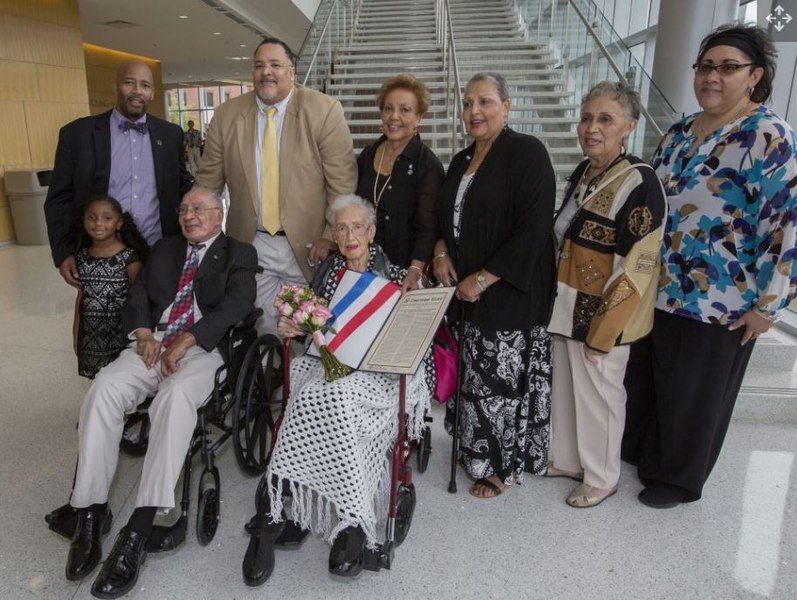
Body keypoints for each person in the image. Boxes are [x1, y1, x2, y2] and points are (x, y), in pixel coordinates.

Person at [622, 23, 797, 509]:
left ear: (755, 75)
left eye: (727, 67)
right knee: (652, 378)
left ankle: (677, 479)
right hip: (658, 286)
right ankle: (642, 454)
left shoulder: (769, 135)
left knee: (695, 395)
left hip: (722, 296)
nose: (711, 77)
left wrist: (770, 305)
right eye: (704, 66)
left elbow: (789, 225)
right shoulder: (680, 131)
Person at [62, 186, 257, 598]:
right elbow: (138, 295)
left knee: (174, 398)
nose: (189, 216)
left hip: (202, 349)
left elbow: (239, 305)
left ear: (219, 214)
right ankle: (92, 513)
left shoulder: (239, 252)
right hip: (152, 344)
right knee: (103, 389)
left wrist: (188, 339)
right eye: (183, 208)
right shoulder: (165, 249)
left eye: (198, 209)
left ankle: (140, 526)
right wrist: (146, 333)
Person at [242, 195, 432, 585]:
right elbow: (309, 323)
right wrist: (290, 325)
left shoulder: (399, 278)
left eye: (357, 227)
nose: (349, 236)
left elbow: (416, 341)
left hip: (378, 376)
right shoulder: (329, 274)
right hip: (326, 367)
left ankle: (352, 524)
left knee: (336, 400)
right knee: (307, 397)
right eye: (341, 228)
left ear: (372, 232)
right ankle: (272, 511)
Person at [432, 73, 556, 499]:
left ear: (507, 104)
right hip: (465, 290)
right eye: (467, 103)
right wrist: (440, 251)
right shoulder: (461, 159)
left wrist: (483, 279)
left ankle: (499, 466)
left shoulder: (527, 153)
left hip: (509, 291)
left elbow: (534, 228)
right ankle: (474, 450)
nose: (474, 111)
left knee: (500, 382)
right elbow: (445, 216)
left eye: (485, 101)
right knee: (475, 377)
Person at [546, 82, 666, 508]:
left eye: (605, 119)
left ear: (629, 127)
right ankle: (568, 460)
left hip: (601, 316)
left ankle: (601, 476)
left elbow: (639, 265)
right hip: (566, 304)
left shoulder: (640, 182)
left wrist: (606, 330)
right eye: (586, 117)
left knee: (601, 395)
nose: (591, 127)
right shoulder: (584, 172)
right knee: (567, 388)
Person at [195, 36, 357, 335]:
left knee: (312, 332)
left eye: (275, 65)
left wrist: (331, 233)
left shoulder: (323, 110)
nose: (266, 72)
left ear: (291, 72)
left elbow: (342, 182)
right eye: (259, 65)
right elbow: (208, 182)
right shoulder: (227, 115)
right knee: (262, 328)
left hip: (310, 244)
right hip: (250, 243)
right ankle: (271, 379)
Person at [44, 60, 193, 289]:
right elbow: (59, 200)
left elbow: (183, 187)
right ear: (115, 87)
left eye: (145, 85)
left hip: (159, 250)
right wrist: (64, 252)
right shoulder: (77, 134)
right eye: (129, 83)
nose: (137, 91)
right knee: (99, 321)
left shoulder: (170, 134)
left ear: (152, 93)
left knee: (157, 319)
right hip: (99, 251)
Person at [356, 74, 444, 292]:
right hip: (361, 269)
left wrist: (414, 270)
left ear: (419, 118)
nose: (394, 116)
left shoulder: (428, 165)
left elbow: (428, 227)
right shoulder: (367, 155)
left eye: (405, 110)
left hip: (404, 273)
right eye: (388, 108)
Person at [73, 195, 149, 379]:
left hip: (120, 335)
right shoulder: (81, 256)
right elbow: (81, 298)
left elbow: (141, 299)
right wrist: (77, 334)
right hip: (91, 336)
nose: (98, 223)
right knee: (98, 380)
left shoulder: (129, 258)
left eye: (107, 218)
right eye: (91, 217)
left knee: (120, 380)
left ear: (119, 223)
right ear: (83, 221)